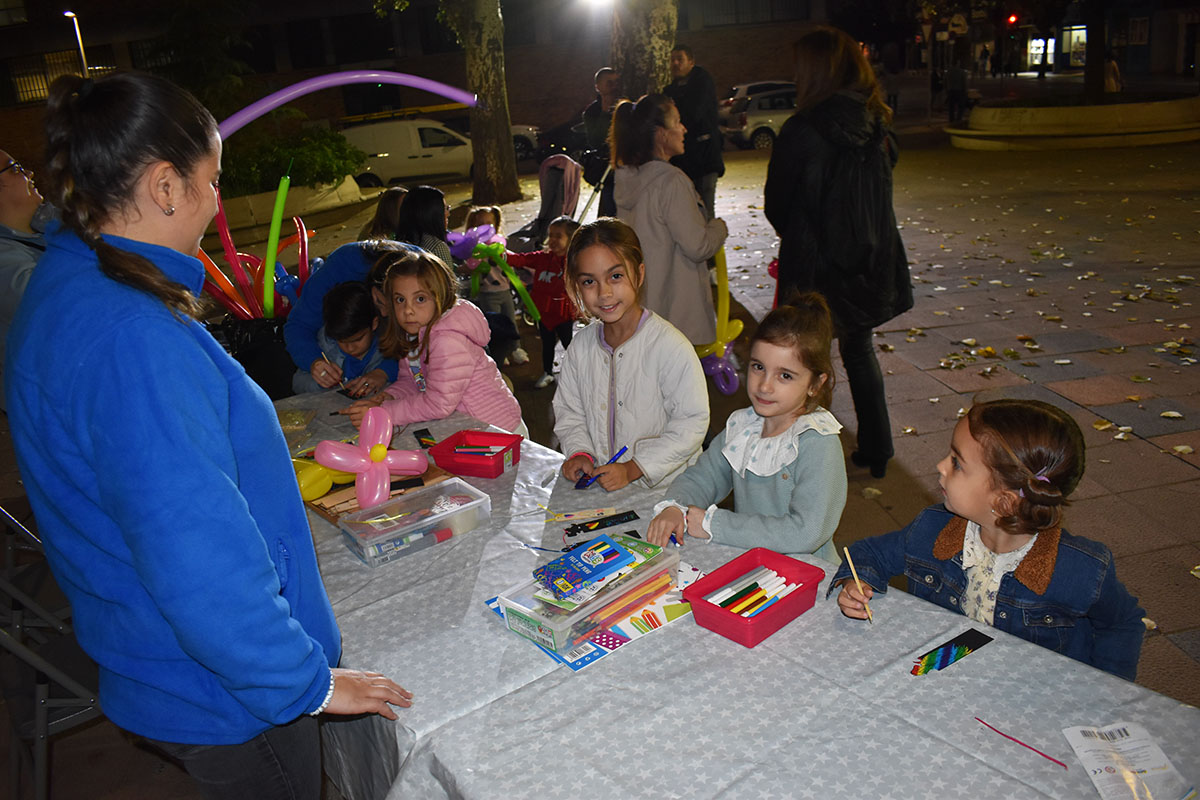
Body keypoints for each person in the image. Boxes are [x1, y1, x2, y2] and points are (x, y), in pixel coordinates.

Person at [6, 71, 412, 799]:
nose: (217, 200)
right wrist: (303, 684)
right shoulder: (132, 336)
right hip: (226, 692)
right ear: (166, 187)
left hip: (155, 656)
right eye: (212, 180)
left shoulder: (72, 282)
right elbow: (194, 557)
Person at [833, 399, 1146, 681]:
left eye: (957, 463)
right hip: (949, 669)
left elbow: (1123, 624)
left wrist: (1109, 688)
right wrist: (857, 583)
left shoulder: (1081, 570)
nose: (940, 466)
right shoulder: (931, 528)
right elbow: (868, 552)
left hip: (1031, 691)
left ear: (1005, 502)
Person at [764, 26, 913, 479]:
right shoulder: (877, 125)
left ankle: (806, 459)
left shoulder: (803, 130)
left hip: (815, 266)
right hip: (868, 263)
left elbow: (777, 204)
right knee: (858, 349)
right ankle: (877, 446)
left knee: (804, 361)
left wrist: (804, 234)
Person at [646, 293, 847, 560]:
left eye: (785, 375)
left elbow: (806, 532)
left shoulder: (817, 442)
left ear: (815, 384)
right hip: (754, 564)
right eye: (758, 367)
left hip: (808, 577)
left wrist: (714, 525)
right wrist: (675, 507)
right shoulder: (745, 426)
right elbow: (703, 477)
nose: (765, 385)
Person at [553, 218, 708, 491]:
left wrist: (634, 468)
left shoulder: (669, 347)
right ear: (577, 287)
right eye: (589, 281)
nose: (604, 293)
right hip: (605, 491)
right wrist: (580, 452)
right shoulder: (580, 349)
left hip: (668, 494)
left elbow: (692, 422)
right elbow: (570, 411)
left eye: (616, 276)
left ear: (639, 274)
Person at [342, 248, 524, 434]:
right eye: (400, 300)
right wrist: (388, 397)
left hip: (498, 432)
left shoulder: (447, 341)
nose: (408, 310)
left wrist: (383, 412)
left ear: (441, 296)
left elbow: (438, 404)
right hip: (467, 428)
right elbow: (414, 381)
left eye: (420, 299)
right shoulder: (413, 334)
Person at [610, 94, 728, 346]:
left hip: (644, 313)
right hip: (676, 319)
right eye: (677, 122)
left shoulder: (626, 179)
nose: (683, 129)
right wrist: (719, 228)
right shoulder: (671, 182)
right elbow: (698, 246)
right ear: (661, 134)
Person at [283, 238, 409, 394]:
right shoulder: (341, 268)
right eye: (380, 303)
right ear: (371, 285)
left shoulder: (424, 275)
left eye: (394, 308)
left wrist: (384, 372)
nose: (384, 313)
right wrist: (314, 362)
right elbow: (298, 326)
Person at [0, 149, 51, 411]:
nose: (30, 174)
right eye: (14, 169)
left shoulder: (46, 234)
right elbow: (53, 304)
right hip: (46, 406)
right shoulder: (5, 263)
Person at [507, 215, 580, 389]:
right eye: (551, 235)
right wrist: (502, 254)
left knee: (569, 344)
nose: (552, 240)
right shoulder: (542, 257)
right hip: (543, 313)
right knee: (547, 345)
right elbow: (521, 259)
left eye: (558, 236)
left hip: (563, 313)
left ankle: (578, 373)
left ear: (570, 239)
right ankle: (547, 372)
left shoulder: (574, 262)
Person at [290, 281, 388, 396]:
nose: (350, 348)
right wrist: (320, 381)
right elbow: (297, 383)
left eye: (357, 339)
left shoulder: (387, 345)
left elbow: (404, 372)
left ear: (374, 324)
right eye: (342, 341)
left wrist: (383, 374)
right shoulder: (326, 345)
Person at [662, 44, 724, 220]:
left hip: (704, 158)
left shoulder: (702, 82)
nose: (675, 63)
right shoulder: (671, 89)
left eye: (680, 59)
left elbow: (694, 113)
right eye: (672, 59)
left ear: (691, 62)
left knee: (705, 210)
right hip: (684, 161)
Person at [463, 204, 529, 365]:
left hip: (505, 290)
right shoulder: (475, 249)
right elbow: (470, 267)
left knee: (511, 320)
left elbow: (508, 266)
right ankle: (500, 350)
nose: (486, 227)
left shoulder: (500, 245)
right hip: (487, 292)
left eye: (489, 223)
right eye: (481, 224)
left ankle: (515, 348)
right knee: (493, 325)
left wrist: (517, 281)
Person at [582, 66, 621, 217]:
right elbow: (595, 140)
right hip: (608, 169)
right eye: (609, 83)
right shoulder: (592, 112)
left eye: (615, 82)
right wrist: (605, 113)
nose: (613, 87)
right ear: (598, 87)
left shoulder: (625, 104)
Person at [393, 183, 453, 266]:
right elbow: (446, 278)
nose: (448, 213)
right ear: (432, 214)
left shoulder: (399, 243)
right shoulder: (437, 247)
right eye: (445, 208)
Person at [945, 59, 969, 123]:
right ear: (958, 63)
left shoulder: (948, 72)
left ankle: (951, 119)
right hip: (959, 91)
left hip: (950, 90)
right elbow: (964, 82)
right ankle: (959, 118)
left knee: (951, 107)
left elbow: (945, 81)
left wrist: (946, 90)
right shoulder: (962, 72)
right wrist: (965, 91)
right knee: (961, 106)